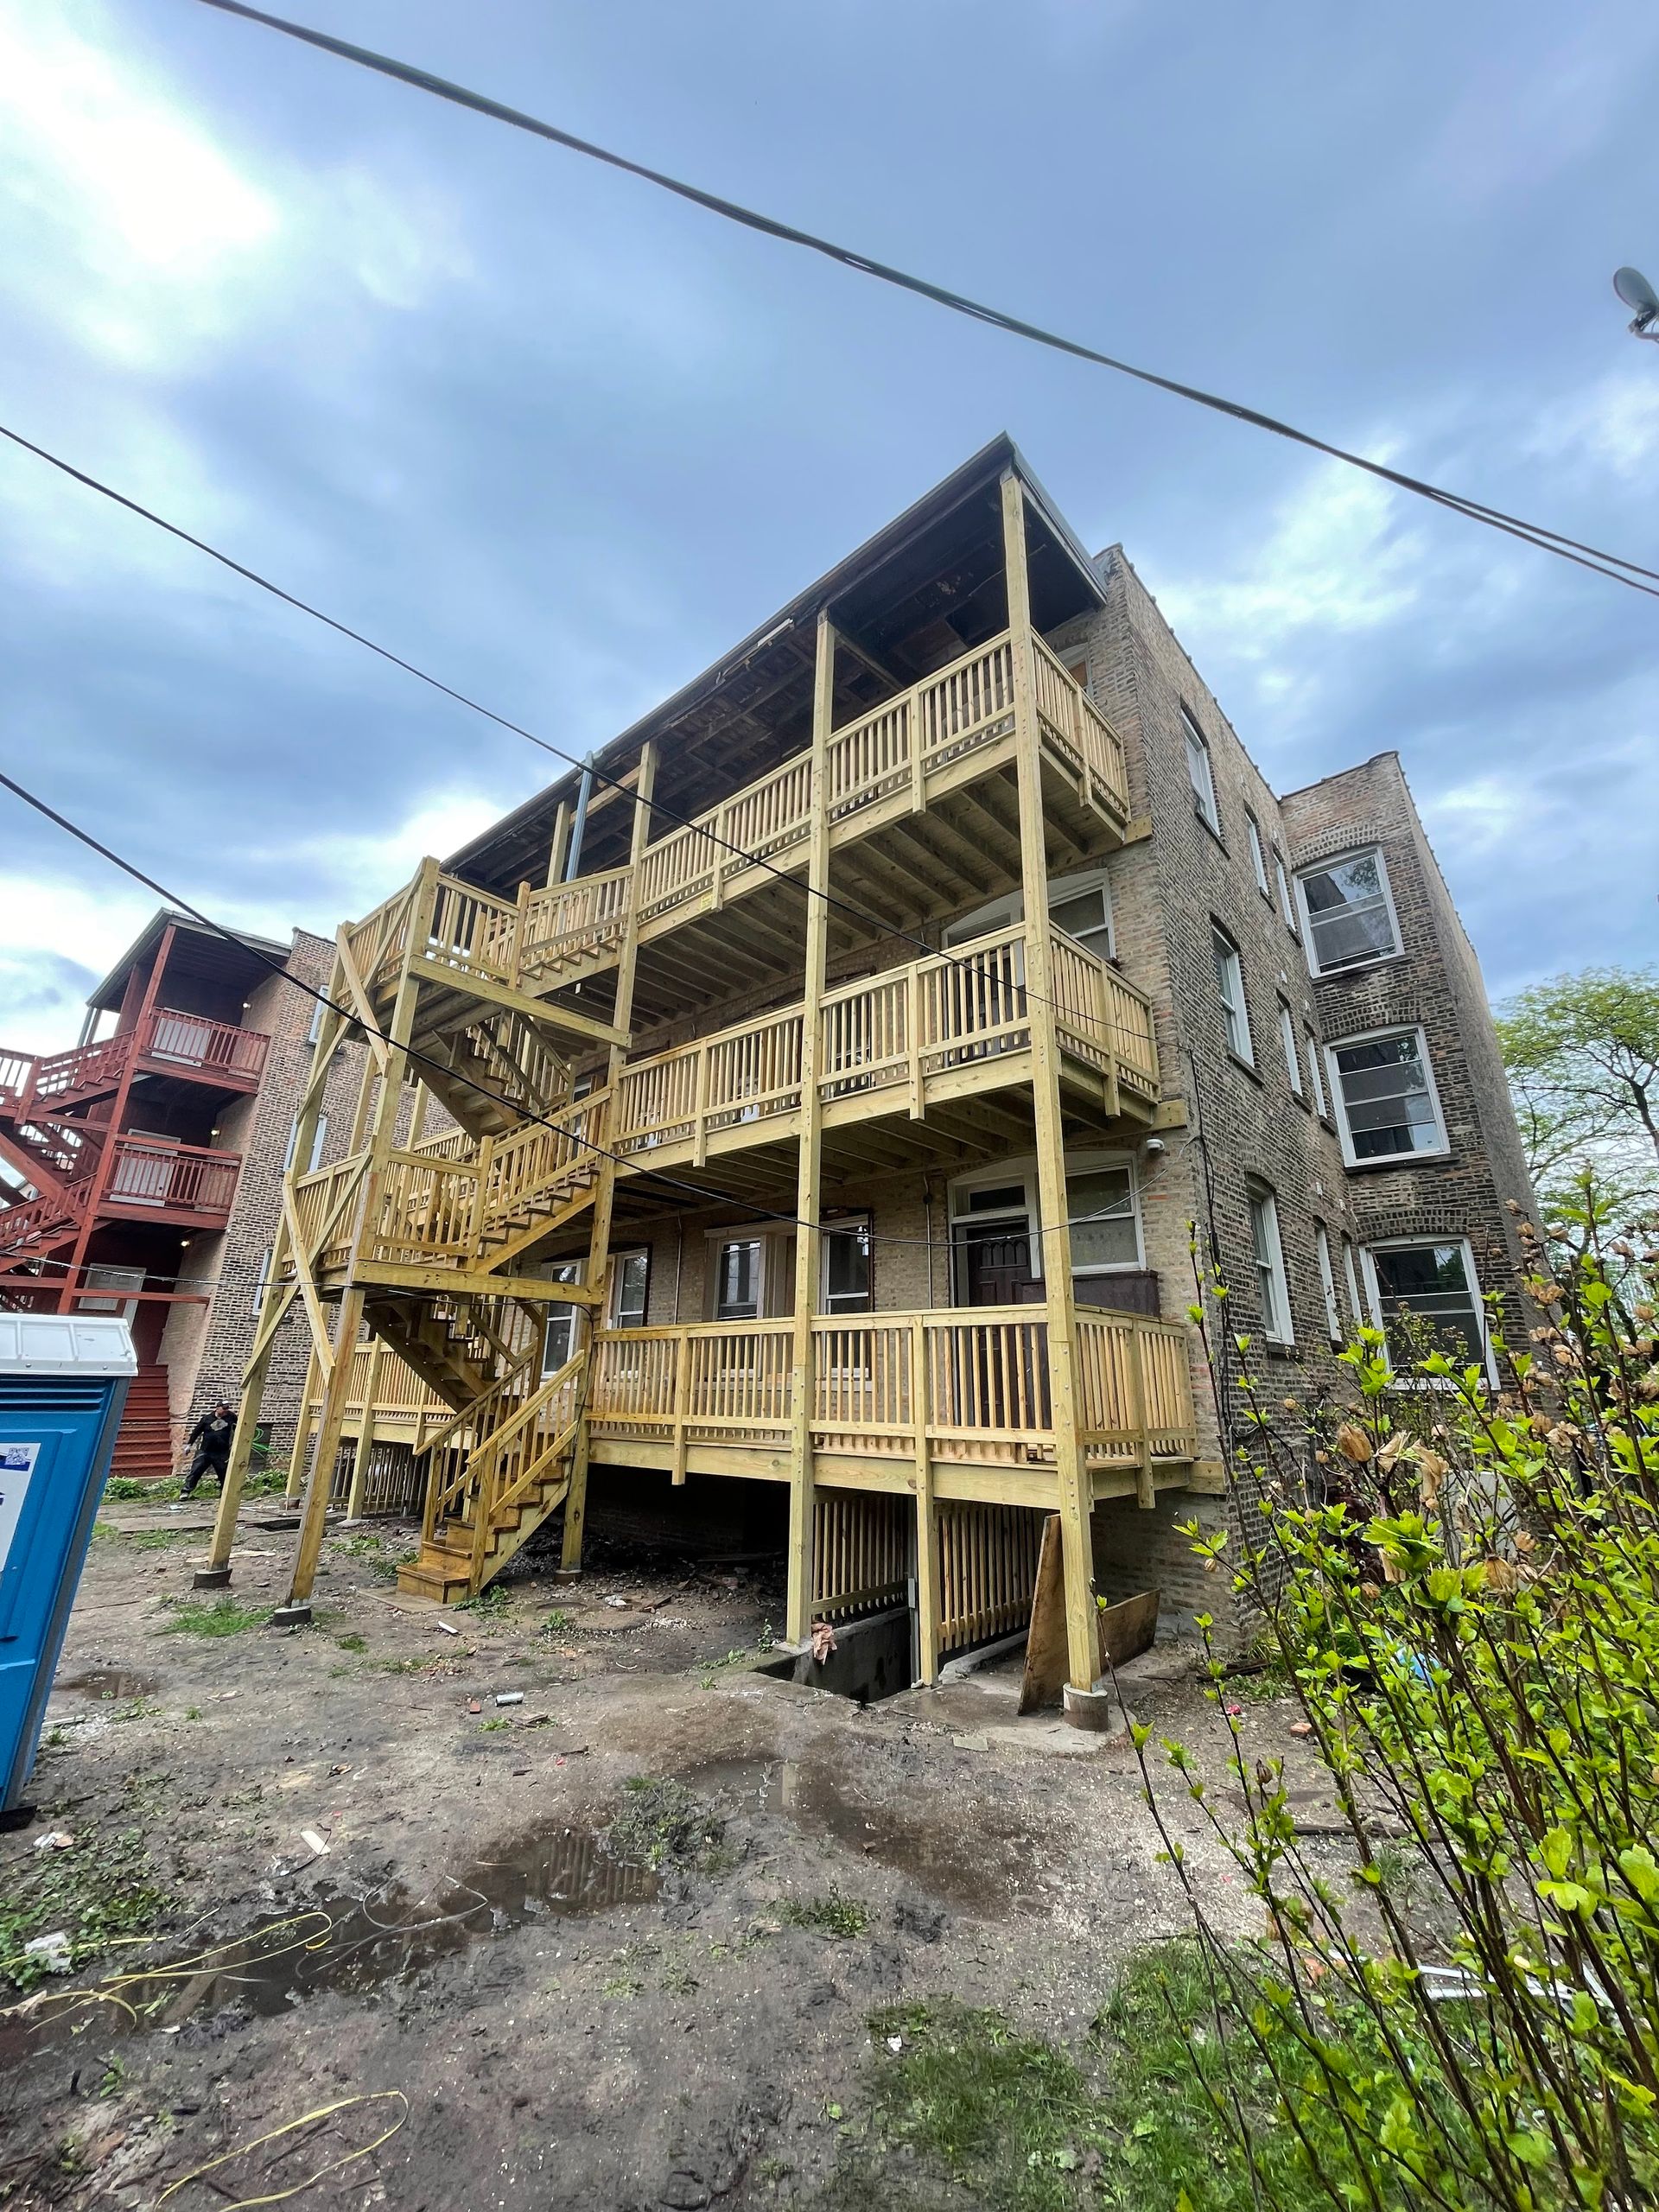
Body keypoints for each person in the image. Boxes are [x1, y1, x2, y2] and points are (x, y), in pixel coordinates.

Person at [180, 1401, 237, 1497]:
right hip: (206, 1450)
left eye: (227, 1408)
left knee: (224, 1473)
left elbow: (238, 1429)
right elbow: (196, 1431)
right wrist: (189, 1445)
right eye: (224, 1408)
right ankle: (186, 1491)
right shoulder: (207, 1418)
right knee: (196, 1471)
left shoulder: (231, 1417)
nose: (226, 1411)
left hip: (222, 1451)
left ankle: (225, 1493)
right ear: (217, 1408)